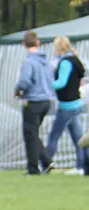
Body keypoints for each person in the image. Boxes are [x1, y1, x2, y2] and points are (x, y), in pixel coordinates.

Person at [46, 36, 88, 175]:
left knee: (54, 136)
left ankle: (46, 163)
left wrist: (48, 83)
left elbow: (61, 83)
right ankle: (81, 166)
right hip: (77, 103)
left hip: (66, 105)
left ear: (58, 48)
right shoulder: (76, 60)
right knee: (78, 137)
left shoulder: (65, 62)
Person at [15, 31, 55, 175]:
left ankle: (33, 167)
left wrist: (18, 90)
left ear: (24, 44)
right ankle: (46, 161)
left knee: (29, 134)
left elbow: (24, 80)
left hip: (33, 101)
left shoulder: (29, 61)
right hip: (47, 100)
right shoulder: (46, 62)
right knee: (33, 133)